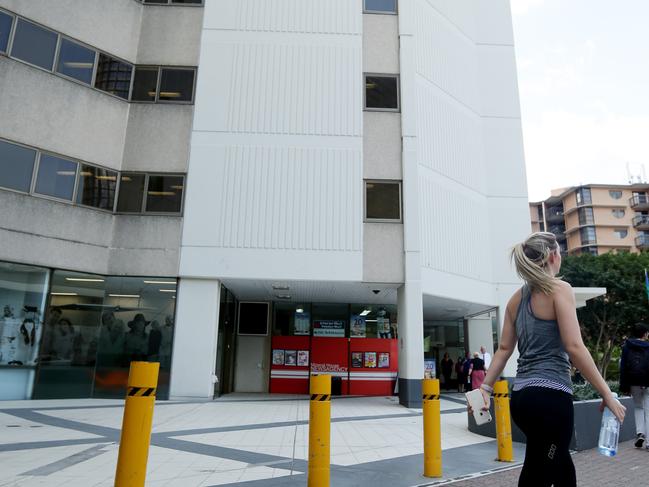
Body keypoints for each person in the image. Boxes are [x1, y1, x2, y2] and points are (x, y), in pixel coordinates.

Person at [469, 232, 625, 487]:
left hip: (522, 399)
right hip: (550, 399)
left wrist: (485, 387)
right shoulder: (560, 289)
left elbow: (504, 348)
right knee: (540, 469)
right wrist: (606, 392)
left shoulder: (514, 300)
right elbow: (574, 346)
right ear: (553, 255)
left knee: (559, 465)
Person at [620, 322, 649, 450]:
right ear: (645, 334)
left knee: (638, 407)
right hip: (647, 381)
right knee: (648, 410)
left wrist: (624, 386)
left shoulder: (627, 346)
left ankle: (640, 433)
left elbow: (623, 368)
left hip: (633, 381)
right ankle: (648, 442)